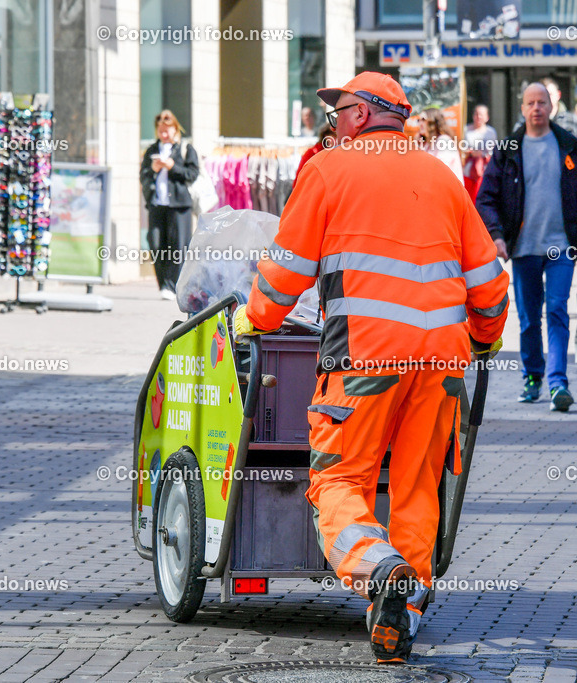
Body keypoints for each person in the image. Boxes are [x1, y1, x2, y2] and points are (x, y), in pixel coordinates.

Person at [232, 71, 508, 663]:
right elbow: (489, 283)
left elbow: (285, 272)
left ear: (361, 114)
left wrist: (254, 318)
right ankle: (402, 617)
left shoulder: (328, 170)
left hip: (364, 357)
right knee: (418, 489)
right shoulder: (442, 176)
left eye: (339, 111)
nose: (333, 121)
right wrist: (484, 339)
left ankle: (380, 570)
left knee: (337, 481)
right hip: (442, 364)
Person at [476, 82, 577, 412]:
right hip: (523, 249)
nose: (536, 108)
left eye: (541, 102)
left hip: (561, 246)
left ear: (551, 106)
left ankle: (558, 383)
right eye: (530, 103)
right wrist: (497, 235)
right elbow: (486, 197)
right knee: (530, 319)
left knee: (557, 310)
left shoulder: (568, 144)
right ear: (523, 108)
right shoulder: (508, 149)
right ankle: (533, 376)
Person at [139, 109, 200, 300]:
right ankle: (164, 283)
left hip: (180, 206)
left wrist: (173, 167)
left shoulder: (185, 149)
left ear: (175, 129)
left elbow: (192, 173)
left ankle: (172, 286)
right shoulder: (151, 150)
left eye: (167, 130)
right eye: (160, 130)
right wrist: (153, 169)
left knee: (178, 246)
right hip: (157, 205)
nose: (163, 134)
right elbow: (143, 175)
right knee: (155, 243)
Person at [542, 77, 577, 159]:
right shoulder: (531, 123)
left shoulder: (572, 121)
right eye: (543, 95)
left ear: (558, 95)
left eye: (550, 94)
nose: (546, 98)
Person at [463, 104, 498, 201]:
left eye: (481, 115)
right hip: (467, 171)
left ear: (487, 117)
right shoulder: (466, 130)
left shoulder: (491, 132)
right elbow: (460, 148)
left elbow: (493, 152)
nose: (478, 117)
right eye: (476, 114)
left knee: (480, 199)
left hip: (483, 171)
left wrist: (482, 154)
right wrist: (470, 153)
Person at [420, 107, 463, 183]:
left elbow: (440, 169)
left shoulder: (444, 141)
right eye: (419, 120)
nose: (420, 123)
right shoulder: (427, 145)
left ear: (433, 121)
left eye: (423, 119)